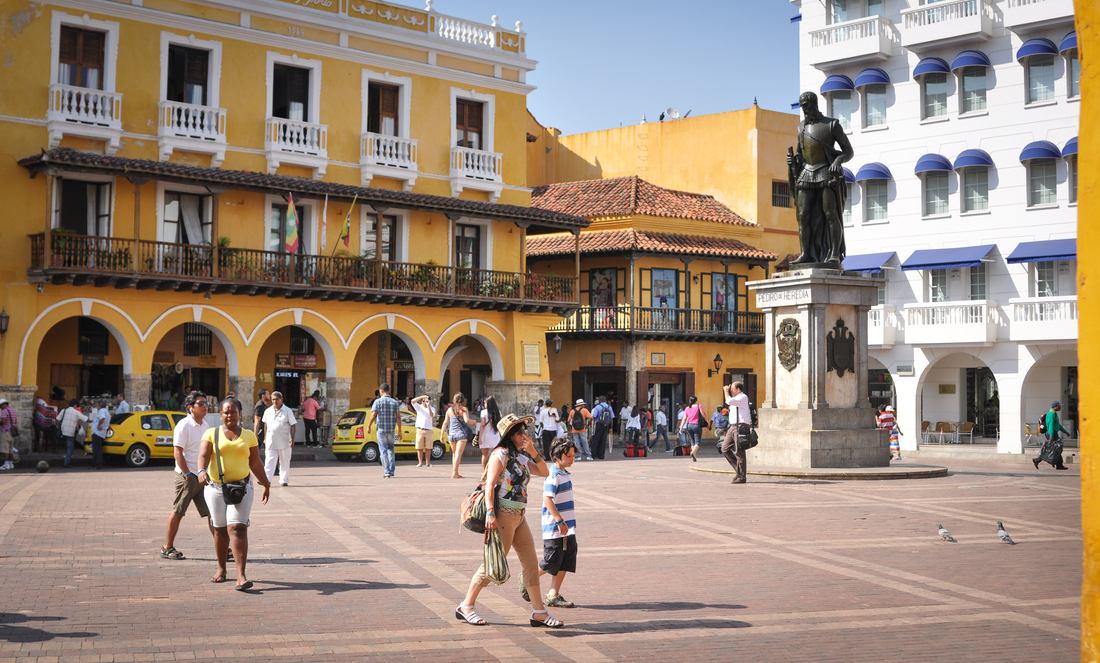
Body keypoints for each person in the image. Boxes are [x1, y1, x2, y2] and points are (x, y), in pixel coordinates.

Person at [454, 414, 563, 629]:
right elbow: (490, 484)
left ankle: (539, 612)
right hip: (503, 515)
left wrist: (532, 451)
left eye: (525, 431)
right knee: (492, 564)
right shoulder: (500, 454)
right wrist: (491, 513)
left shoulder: (521, 457)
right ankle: (466, 606)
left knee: (531, 563)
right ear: (510, 436)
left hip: (519, 516)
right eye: (521, 432)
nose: (525, 435)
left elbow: (544, 471)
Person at [196, 397, 270, 590]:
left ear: (240, 414)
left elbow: (255, 462)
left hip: (242, 488)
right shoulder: (211, 433)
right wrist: (201, 471)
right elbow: (203, 455)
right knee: (219, 529)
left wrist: (266, 483)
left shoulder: (248, 436)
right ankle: (221, 568)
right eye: (226, 412)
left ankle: (241, 576)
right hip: (216, 489)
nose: (230, 415)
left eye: (233, 411)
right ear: (221, 414)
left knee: (237, 528)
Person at [787, 90, 853, 267]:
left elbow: (848, 151)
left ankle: (833, 254)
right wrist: (793, 161)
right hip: (806, 173)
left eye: (806, 106)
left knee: (830, 214)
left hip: (825, 172)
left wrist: (838, 161)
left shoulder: (832, 125)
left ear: (814, 104)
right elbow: (801, 154)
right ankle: (806, 253)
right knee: (803, 215)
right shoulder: (801, 127)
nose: (804, 110)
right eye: (802, 107)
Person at [161, 392, 214, 561]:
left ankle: (222, 546)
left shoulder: (205, 424)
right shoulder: (183, 426)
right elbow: (178, 452)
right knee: (179, 511)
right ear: (191, 408)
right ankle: (167, 547)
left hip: (201, 475)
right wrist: (187, 474)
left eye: (205, 403)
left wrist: (205, 471)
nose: (205, 406)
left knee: (213, 512)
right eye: (201, 403)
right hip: (187, 476)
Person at [535, 438, 579, 608]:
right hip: (555, 528)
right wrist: (559, 520)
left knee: (566, 559)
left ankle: (553, 594)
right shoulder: (553, 475)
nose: (572, 459)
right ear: (558, 456)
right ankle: (528, 577)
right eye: (568, 456)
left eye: (573, 456)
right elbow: (547, 499)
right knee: (551, 561)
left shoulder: (564, 473)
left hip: (567, 528)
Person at [367, 383, 403, 478]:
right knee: (390, 449)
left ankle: (386, 471)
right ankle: (391, 470)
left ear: (381, 391)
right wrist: (399, 430)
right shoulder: (395, 402)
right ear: (389, 391)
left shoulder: (377, 402)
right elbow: (398, 417)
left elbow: (373, 415)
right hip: (391, 429)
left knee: (383, 450)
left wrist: (369, 426)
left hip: (381, 429)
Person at [261, 391, 296, 487]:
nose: (274, 401)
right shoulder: (267, 411)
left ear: (281, 399)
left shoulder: (288, 411)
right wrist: (265, 437)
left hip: (284, 441)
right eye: (273, 399)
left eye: (277, 399)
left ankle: (283, 480)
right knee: (269, 460)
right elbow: (266, 425)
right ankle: (266, 480)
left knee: (284, 461)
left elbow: (293, 425)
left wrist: (292, 439)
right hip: (271, 440)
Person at [721, 382, 752, 484]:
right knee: (724, 448)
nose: (731, 390)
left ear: (738, 389)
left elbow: (728, 401)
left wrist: (725, 391)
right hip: (733, 426)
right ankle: (738, 471)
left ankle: (742, 476)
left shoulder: (743, 397)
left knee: (739, 452)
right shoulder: (736, 399)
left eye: (732, 389)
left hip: (740, 426)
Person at [442, 393, 477, 480]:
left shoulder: (449, 410)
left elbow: (445, 423)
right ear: (463, 400)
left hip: (451, 435)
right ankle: (454, 473)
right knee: (458, 454)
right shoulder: (464, 409)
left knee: (454, 454)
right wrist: (475, 422)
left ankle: (455, 473)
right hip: (461, 435)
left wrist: (441, 434)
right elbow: (467, 421)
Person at [1034, 401, 1070, 471]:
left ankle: (1059, 464)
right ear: (1055, 406)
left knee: (1056, 449)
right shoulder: (1051, 414)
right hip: (1051, 433)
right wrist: (1051, 436)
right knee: (1054, 449)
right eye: (1059, 406)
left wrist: (1065, 432)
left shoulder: (1054, 414)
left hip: (1053, 433)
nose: (1060, 407)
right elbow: (1050, 426)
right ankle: (1038, 460)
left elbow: (1057, 425)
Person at [57, 399, 88, 467]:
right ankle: (66, 463)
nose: (77, 407)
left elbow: (58, 419)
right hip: (70, 432)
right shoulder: (76, 412)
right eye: (76, 406)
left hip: (63, 431)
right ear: (74, 405)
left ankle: (67, 459)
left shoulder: (64, 410)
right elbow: (85, 419)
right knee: (70, 447)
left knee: (67, 446)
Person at [410, 394, 436, 468]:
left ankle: (427, 463)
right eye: (424, 401)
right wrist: (422, 397)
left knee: (428, 448)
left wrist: (428, 407)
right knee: (419, 448)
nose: (426, 402)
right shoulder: (419, 407)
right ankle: (420, 463)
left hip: (428, 430)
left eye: (428, 400)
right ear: (422, 401)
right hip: (420, 429)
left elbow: (432, 415)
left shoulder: (432, 408)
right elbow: (412, 401)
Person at [478, 396, 503, 467]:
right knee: (495, 455)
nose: (484, 404)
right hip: (495, 436)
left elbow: (482, 425)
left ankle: (484, 471)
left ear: (488, 403)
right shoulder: (498, 413)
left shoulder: (483, 412)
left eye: (485, 403)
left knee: (485, 455)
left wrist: (480, 438)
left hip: (485, 436)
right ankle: (492, 470)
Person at [679, 396, 705, 462]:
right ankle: (693, 452)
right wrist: (706, 422)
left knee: (692, 442)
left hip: (689, 426)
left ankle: (694, 457)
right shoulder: (699, 406)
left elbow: (684, 418)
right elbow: (703, 415)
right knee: (697, 442)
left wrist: (681, 427)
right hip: (696, 425)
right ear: (696, 400)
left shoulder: (687, 408)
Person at [90, 399, 110, 470]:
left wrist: (98, 425)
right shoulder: (107, 411)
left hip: (97, 433)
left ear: (100, 405)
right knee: (97, 449)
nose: (97, 406)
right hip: (101, 433)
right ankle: (94, 464)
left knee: (97, 450)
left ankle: (98, 465)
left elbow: (102, 419)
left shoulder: (102, 411)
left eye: (97, 404)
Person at [0, 399, 18, 471]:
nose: (0, 407)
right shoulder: (13, 410)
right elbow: (15, 421)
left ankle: (6, 464)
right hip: (12, 432)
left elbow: (2, 422)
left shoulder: (4, 411)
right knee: (10, 449)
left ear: (3, 404)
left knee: (5, 449)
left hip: (5, 432)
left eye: (0, 406)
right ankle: (11, 464)